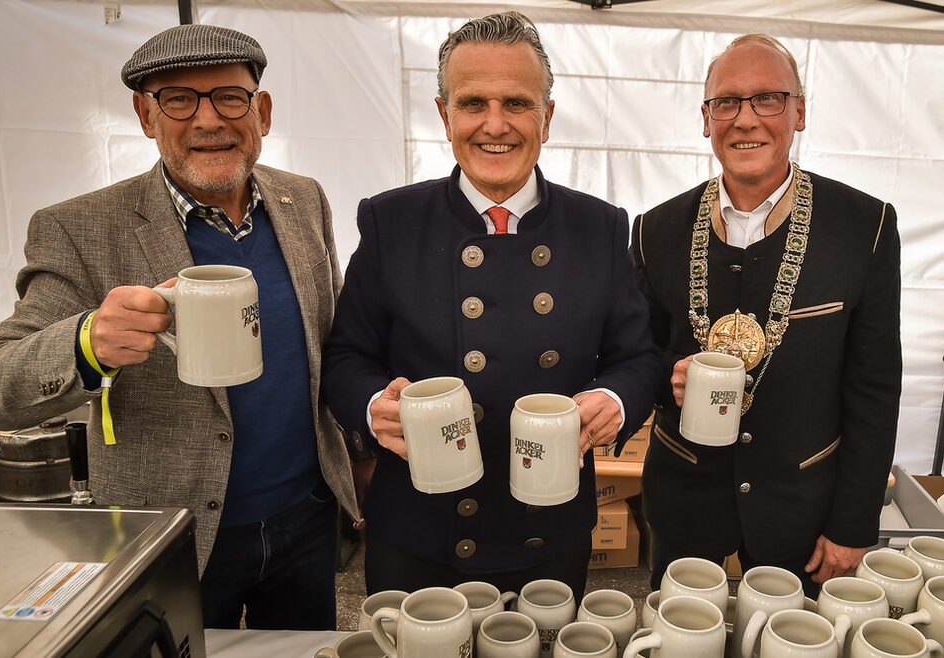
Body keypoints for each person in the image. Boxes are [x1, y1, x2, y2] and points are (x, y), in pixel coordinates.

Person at [0, 24, 357, 630]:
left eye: (230, 96)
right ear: (146, 116)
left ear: (263, 112)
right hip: (173, 530)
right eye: (178, 99)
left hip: (305, 517)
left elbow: (332, 341)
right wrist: (86, 342)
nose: (208, 121)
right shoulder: (81, 227)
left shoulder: (303, 199)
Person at [322, 11, 660, 601]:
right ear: (444, 114)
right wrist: (375, 404)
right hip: (420, 531)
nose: (494, 125)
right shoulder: (391, 221)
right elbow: (347, 355)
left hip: (547, 530)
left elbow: (639, 357)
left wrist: (613, 400)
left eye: (517, 103)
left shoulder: (600, 227)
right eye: (473, 102)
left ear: (547, 117)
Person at [631, 34, 901, 597]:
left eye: (768, 99)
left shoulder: (865, 227)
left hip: (802, 505)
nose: (745, 119)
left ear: (800, 111)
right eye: (726, 102)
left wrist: (853, 524)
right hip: (685, 499)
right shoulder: (653, 232)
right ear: (706, 119)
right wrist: (667, 380)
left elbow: (875, 388)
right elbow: (638, 359)